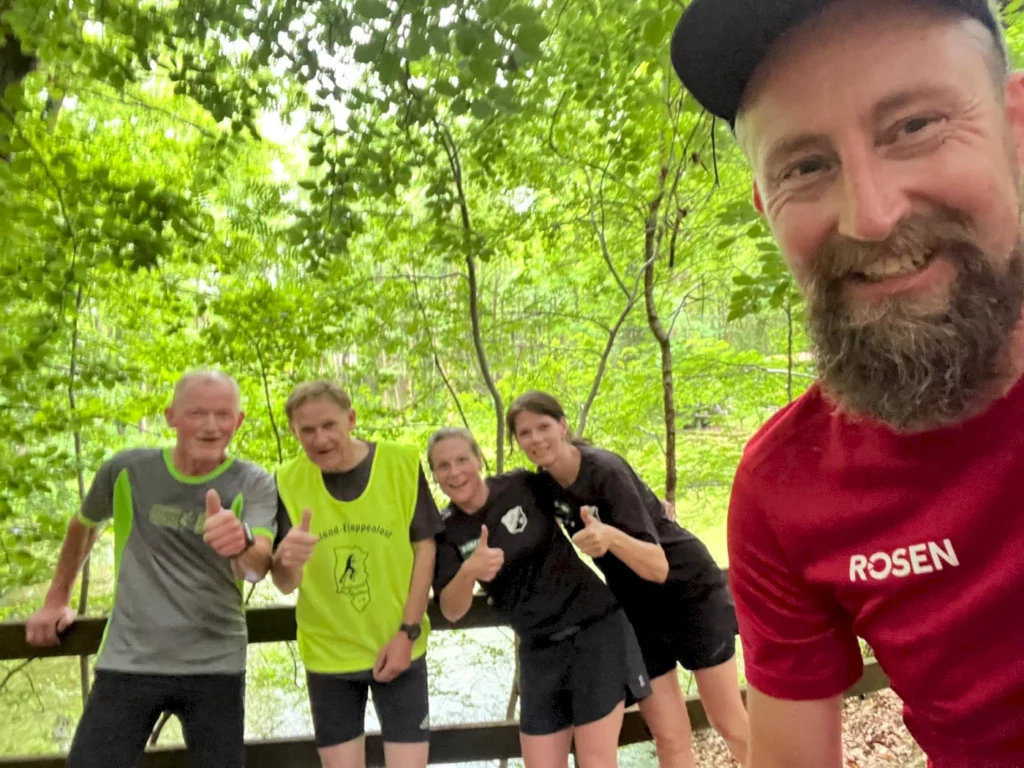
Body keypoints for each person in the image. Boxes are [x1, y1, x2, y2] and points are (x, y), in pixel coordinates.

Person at [668, 0, 1024, 765]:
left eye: (915, 125)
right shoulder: (786, 488)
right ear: (765, 207)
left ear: (1015, 125)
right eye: (805, 167)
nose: (871, 215)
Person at [25, 370, 277, 768]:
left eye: (223, 415)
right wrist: (56, 600)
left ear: (239, 420)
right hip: (129, 660)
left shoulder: (254, 482)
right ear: (170, 416)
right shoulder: (126, 470)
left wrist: (242, 543)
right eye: (197, 413)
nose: (211, 426)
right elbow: (84, 525)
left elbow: (256, 568)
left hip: (216, 663)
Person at [506, 392, 749, 768]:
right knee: (669, 735)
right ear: (516, 441)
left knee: (728, 721)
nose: (536, 439)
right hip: (637, 612)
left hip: (689, 595)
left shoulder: (605, 471)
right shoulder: (545, 486)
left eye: (544, 426)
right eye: (525, 433)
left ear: (563, 425)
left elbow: (658, 567)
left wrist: (610, 537)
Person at [427, 427, 651, 768]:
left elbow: (583, 493)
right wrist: (469, 571)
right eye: (443, 466)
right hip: (538, 650)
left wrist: (649, 507)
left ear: (479, 460)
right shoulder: (447, 531)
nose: (455, 472)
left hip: (594, 631)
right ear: (434, 475)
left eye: (462, 460)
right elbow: (452, 610)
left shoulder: (521, 485)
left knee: (596, 761)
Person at [271, 380, 443, 768]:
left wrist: (408, 632)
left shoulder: (399, 463)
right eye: (307, 430)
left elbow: (425, 549)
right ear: (294, 432)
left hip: (399, 646)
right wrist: (286, 559)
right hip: (328, 655)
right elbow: (284, 584)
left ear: (350, 419)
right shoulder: (287, 480)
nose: (320, 439)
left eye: (329, 425)